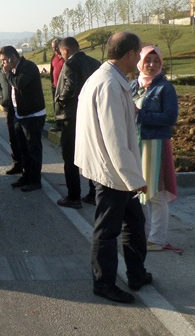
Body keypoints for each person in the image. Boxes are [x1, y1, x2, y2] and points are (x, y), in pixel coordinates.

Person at [75, 32, 151, 304]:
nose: (140, 59)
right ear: (130, 54)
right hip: (113, 172)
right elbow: (115, 139)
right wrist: (134, 179)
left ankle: (137, 273)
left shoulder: (106, 79)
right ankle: (104, 283)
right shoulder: (107, 84)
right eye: (139, 54)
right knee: (107, 230)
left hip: (112, 167)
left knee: (135, 222)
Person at [131, 45, 179, 251]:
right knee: (140, 192)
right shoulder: (132, 85)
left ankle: (157, 239)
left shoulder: (165, 88)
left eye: (156, 61)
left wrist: (141, 115)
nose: (151, 65)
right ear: (140, 62)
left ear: (161, 64)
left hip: (155, 145)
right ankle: (143, 234)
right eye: (147, 61)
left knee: (156, 194)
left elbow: (170, 117)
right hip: (136, 144)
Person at [53, 37, 101, 209]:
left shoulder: (70, 64)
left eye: (60, 51)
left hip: (71, 116)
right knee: (89, 155)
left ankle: (73, 196)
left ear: (65, 50)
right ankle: (93, 193)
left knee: (70, 158)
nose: (60, 55)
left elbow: (70, 88)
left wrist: (60, 99)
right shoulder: (95, 62)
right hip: (90, 115)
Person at [0, 46, 46, 192]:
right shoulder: (12, 69)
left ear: (13, 57)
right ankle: (26, 175)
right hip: (19, 114)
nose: (3, 63)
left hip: (32, 115)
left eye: (4, 60)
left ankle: (35, 180)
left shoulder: (28, 67)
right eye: (1, 61)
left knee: (33, 149)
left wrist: (8, 74)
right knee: (22, 148)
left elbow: (19, 84)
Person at [0, 65, 23, 175]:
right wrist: (2, 99)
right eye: (2, 59)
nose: (4, 61)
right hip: (8, 108)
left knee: (22, 138)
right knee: (12, 137)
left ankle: (27, 166)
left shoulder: (17, 69)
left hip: (20, 107)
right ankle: (16, 164)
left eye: (5, 59)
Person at [49, 38, 65, 133]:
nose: (54, 49)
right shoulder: (54, 57)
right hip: (55, 86)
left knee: (63, 106)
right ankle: (58, 124)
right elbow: (52, 70)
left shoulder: (65, 57)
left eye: (55, 47)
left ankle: (64, 125)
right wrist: (52, 82)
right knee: (56, 106)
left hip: (63, 87)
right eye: (53, 47)